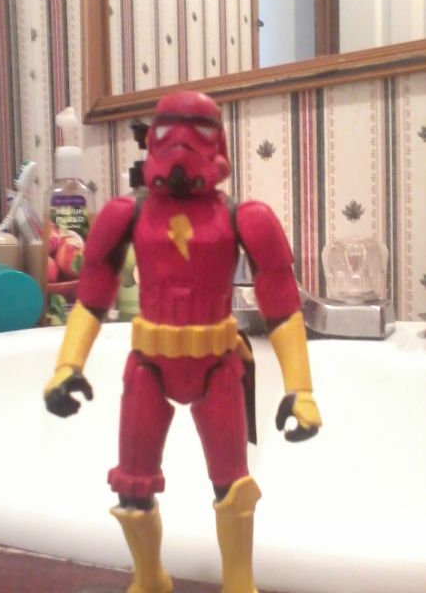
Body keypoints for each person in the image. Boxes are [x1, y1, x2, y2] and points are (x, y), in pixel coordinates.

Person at [44, 90, 322, 593]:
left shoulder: (246, 218)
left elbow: (282, 308)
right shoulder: (125, 214)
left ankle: (239, 583)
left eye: (198, 133)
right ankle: (150, 578)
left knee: (232, 486)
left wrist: (300, 389)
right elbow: (92, 298)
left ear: (218, 144)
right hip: (149, 365)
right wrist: (68, 365)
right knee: (132, 487)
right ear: (151, 141)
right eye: (169, 134)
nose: (182, 147)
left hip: (217, 365)